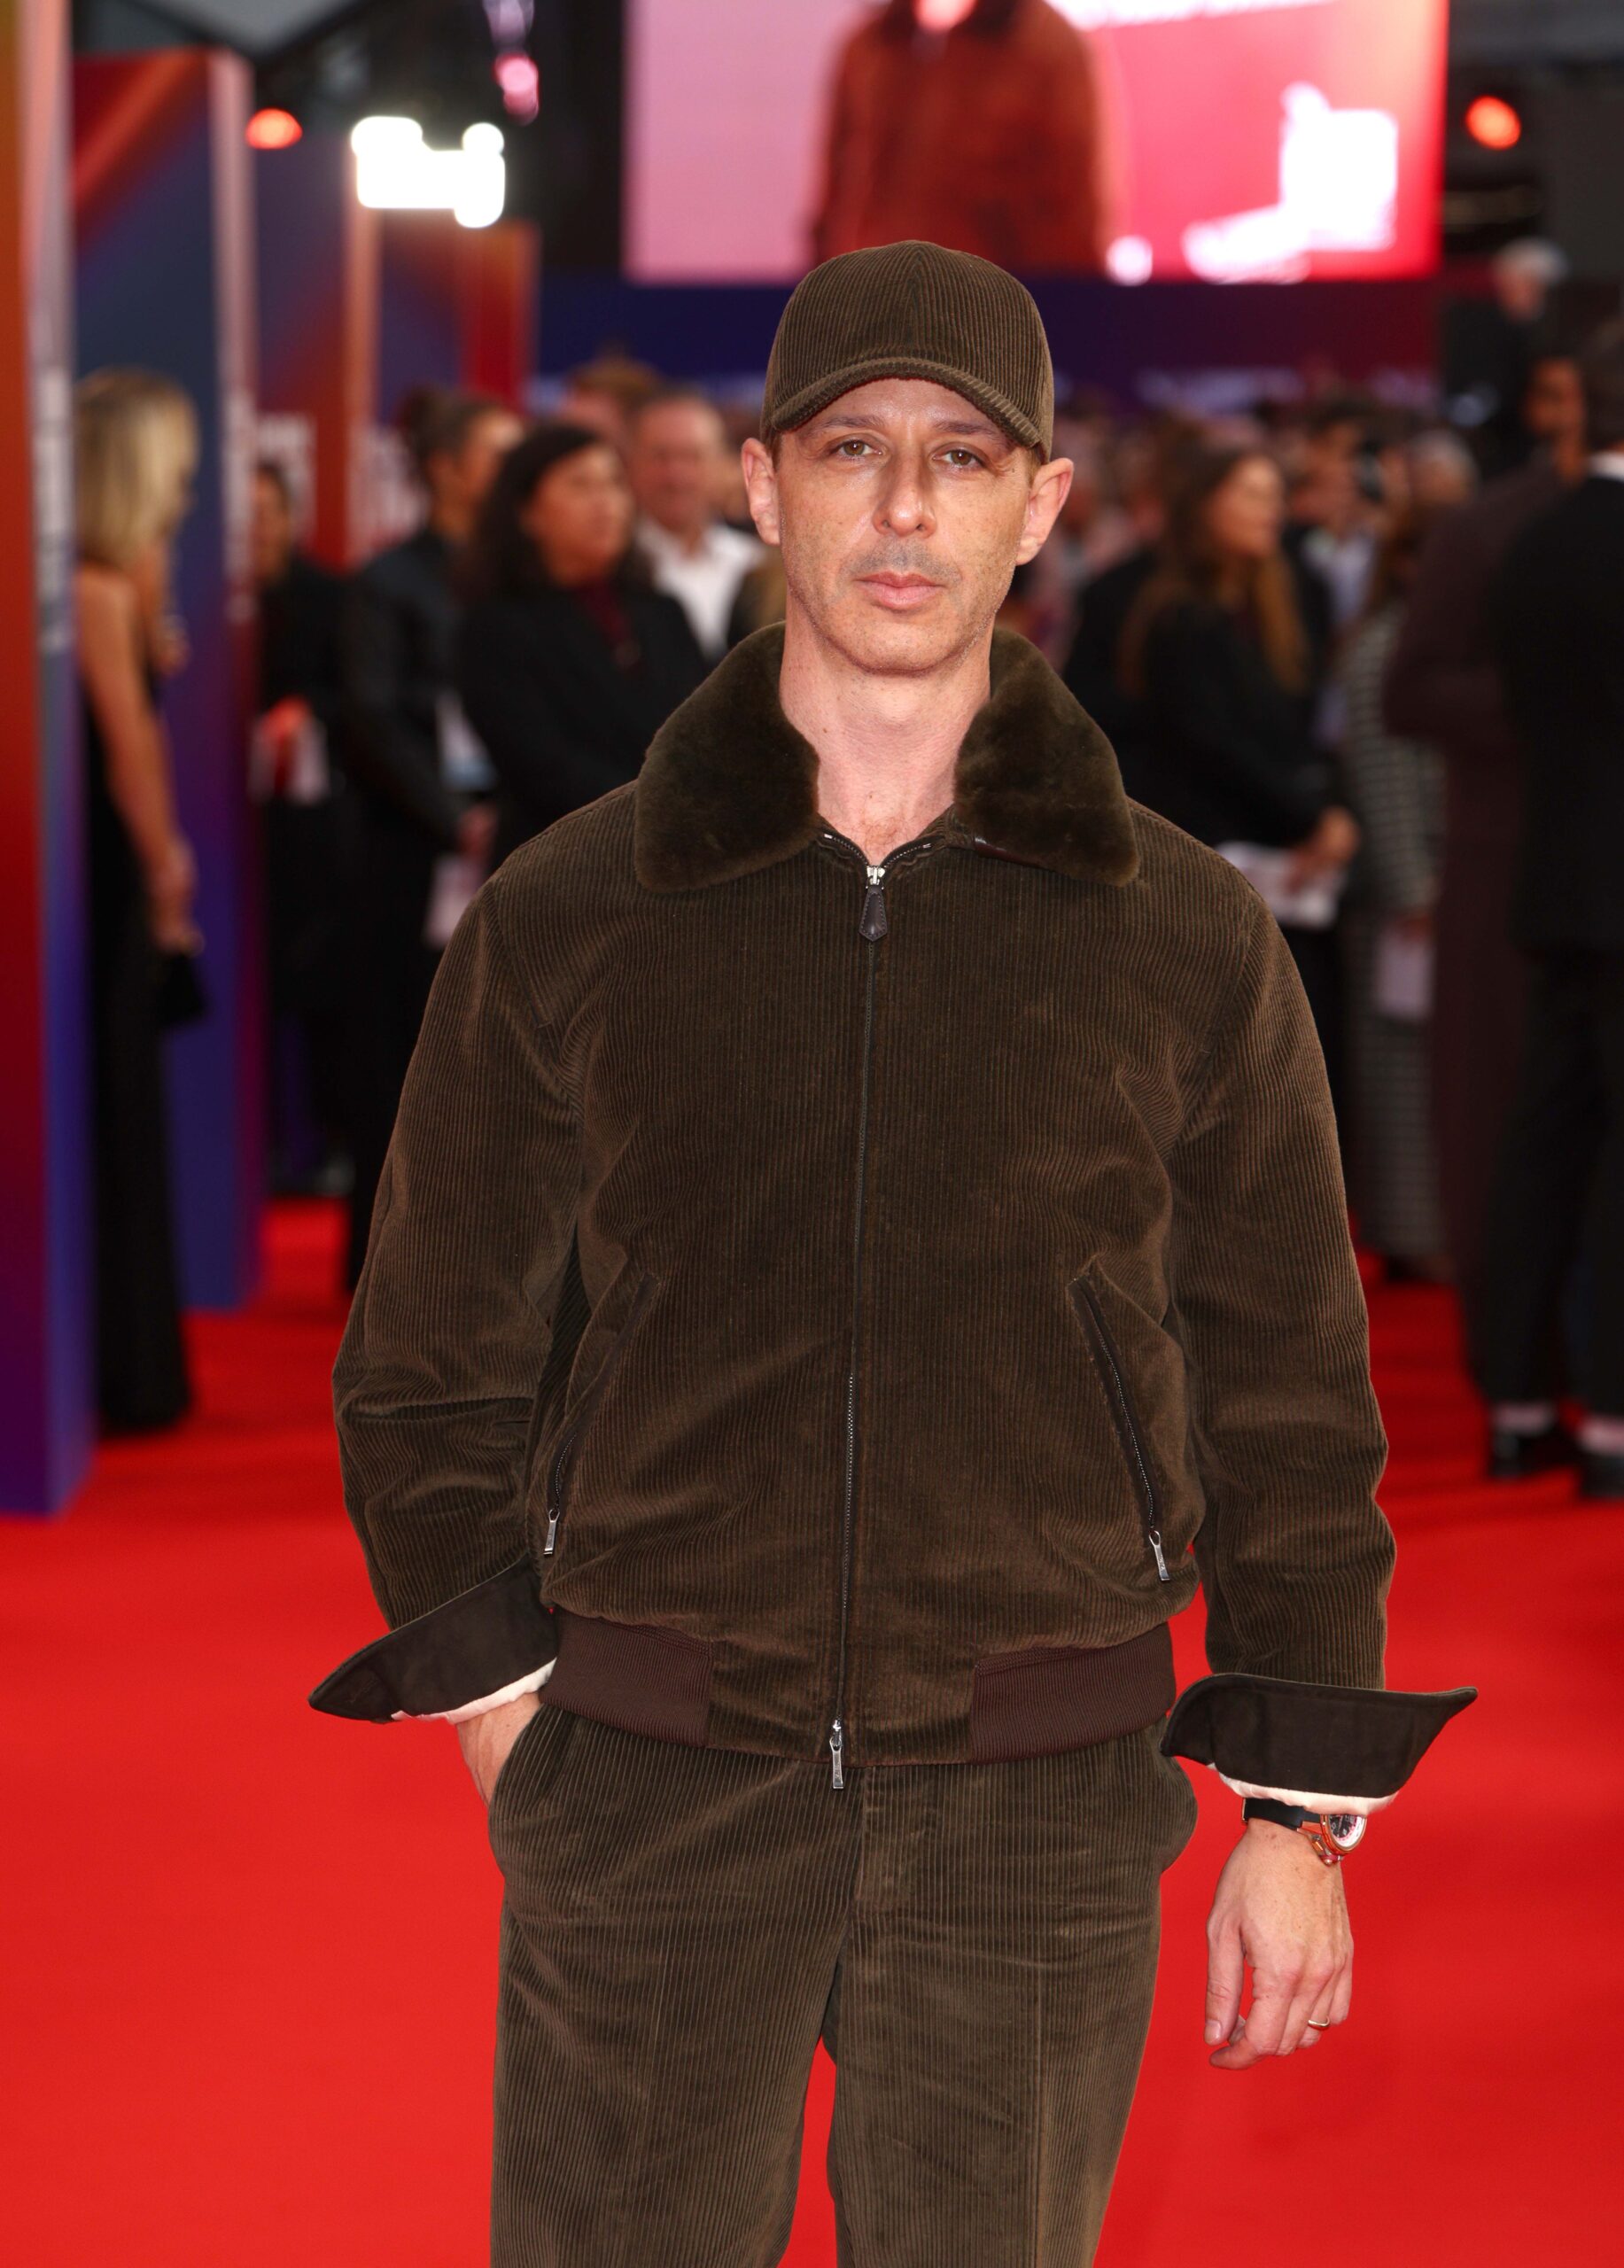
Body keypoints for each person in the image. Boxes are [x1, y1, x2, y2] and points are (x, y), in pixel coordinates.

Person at [315, 241, 1471, 2266]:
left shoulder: (1177, 936)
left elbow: (1287, 1385)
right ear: (763, 482)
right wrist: (518, 1719)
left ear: (1041, 500)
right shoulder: (575, 912)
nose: (905, 506)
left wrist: (1291, 1812)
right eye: (852, 446)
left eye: (962, 452)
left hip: (1037, 1792)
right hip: (651, 1777)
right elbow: (426, 1360)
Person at [1382, 350, 1587, 1341]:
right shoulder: (1489, 527)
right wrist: (1560, 703)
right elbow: (1408, 688)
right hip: (1506, 867)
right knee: (1500, 1120)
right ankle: (1513, 1358)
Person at [1469, 322, 1624, 1499]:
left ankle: (1517, 1408)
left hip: (1556, 879)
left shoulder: (1533, 546)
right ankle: (1615, 1419)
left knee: (1542, 1143)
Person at [338, 386, 523, 1290]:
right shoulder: (387, 583)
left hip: (515, 837)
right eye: (497, 454)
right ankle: (386, 1267)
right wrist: (454, 822)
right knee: (400, 1058)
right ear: (446, 468)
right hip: (412, 854)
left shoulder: (516, 578)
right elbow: (370, 718)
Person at [1117, 443, 1361, 1103]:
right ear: (1205, 507)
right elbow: (1214, 745)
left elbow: (1301, 735)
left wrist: (1326, 816)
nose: (1270, 512)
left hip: (1288, 872)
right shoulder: (1178, 615)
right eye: (1251, 496)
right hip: (1213, 870)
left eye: (1273, 497)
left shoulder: (1278, 606)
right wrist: (1314, 819)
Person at [73, 368, 200, 1433]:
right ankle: (126, 1369)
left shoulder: (112, 583)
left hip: (99, 873)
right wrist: (166, 868)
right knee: (116, 1099)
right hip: (107, 876)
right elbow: (130, 751)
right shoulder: (98, 589)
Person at [455, 423, 706, 868]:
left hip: (677, 861)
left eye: (614, 483)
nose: (605, 502)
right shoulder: (495, 626)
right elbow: (540, 767)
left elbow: (709, 723)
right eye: (580, 485)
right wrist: (663, 808)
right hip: (557, 867)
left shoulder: (662, 611)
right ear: (528, 512)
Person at [1338, 507, 1455, 1280]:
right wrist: (1412, 886)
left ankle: (1427, 1229)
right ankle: (1409, 1234)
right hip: (1402, 896)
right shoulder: (1384, 648)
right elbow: (1379, 780)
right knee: (1399, 1073)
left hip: (1441, 887)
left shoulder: (1427, 643)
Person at [812, 0, 1111, 273]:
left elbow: (1076, 217)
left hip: (999, 315)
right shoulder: (871, 45)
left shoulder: (1048, 46)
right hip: (876, 311)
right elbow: (835, 197)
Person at [249, 460, 348, 1191]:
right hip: (232, 832)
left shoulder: (326, 598)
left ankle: (322, 1137)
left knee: (317, 985)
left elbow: (351, 700)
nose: (255, 530)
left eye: (267, 513)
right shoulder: (205, 604)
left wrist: (304, 714)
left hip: (310, 830)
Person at [626, 387, 764, 663]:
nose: (677, 475)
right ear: (630, 462)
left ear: (723, 464)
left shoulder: (755, 564)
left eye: (693, 456)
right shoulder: (613, 568)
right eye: (661, 457)